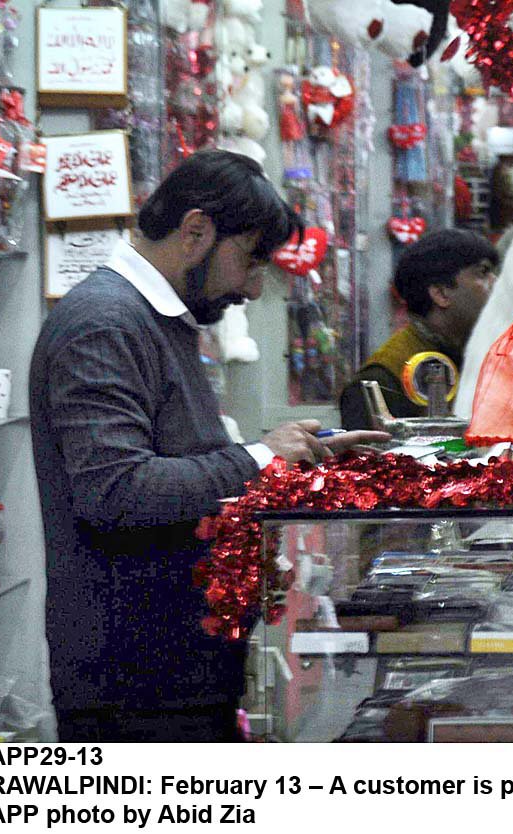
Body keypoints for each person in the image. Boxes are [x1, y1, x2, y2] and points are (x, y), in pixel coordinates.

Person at [30, 150, 387, 742]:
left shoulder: (153, 317)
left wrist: (293, 454)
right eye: (249, 259)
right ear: (196, 230)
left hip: (176, 663)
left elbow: (177, 457)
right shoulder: (105, 324)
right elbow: (115, 490)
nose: (251, 286)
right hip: (134, 681)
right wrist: (261, 457)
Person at [338, 229, 498, 428]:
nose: (496, 282)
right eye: (483, 272)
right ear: (441, 294)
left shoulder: (486, 356)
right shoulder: (382, 380)